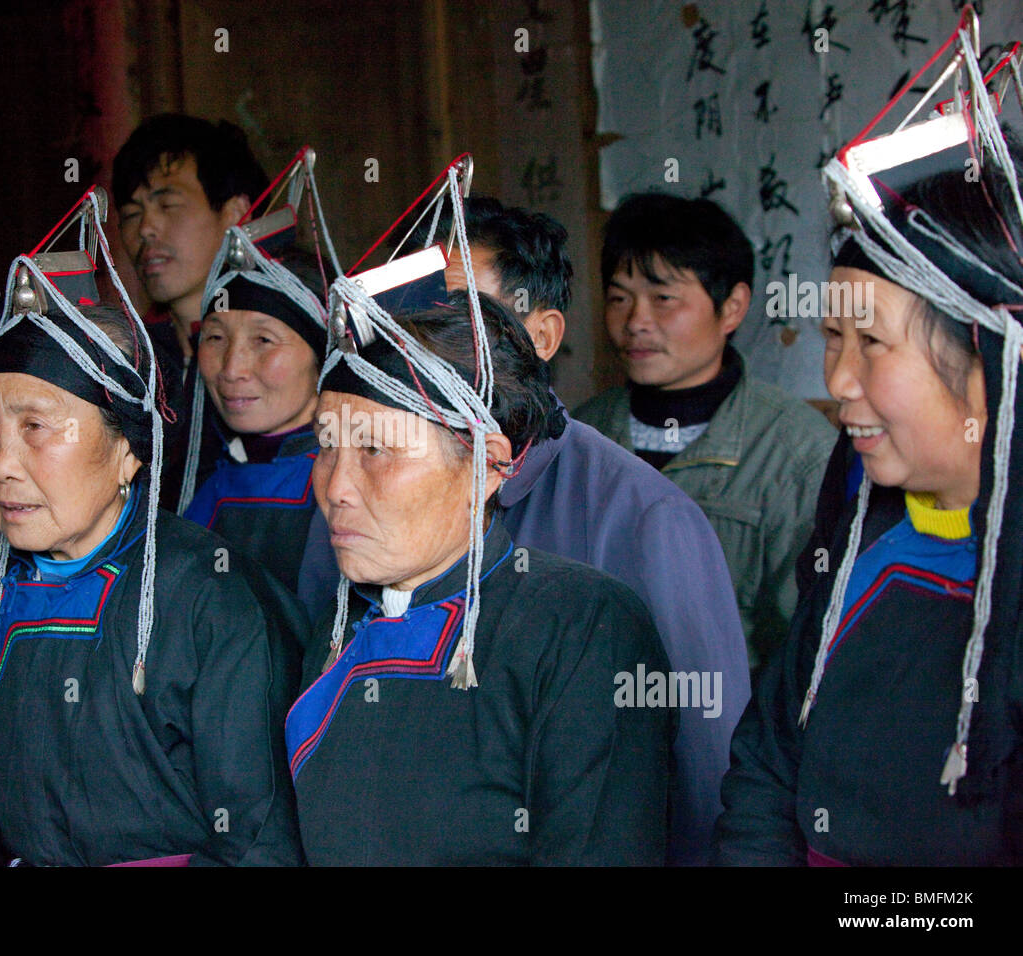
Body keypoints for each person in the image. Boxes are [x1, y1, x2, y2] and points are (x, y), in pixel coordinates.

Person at [297, 196, 748, 864]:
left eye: (461, 316)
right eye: (415, 310)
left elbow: (705, 777)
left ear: (537, 336)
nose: (427, 332)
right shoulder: (350, 506)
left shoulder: (641, 524)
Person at [716, 66, 1023, 865]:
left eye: (873, 344)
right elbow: (765, 768)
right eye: (831, 338)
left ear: (988, 365)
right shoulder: (861, 541)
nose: (837, 380)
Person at [0, 262, 307, 864]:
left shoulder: (212, 600)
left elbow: (257, 843)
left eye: (36, 427)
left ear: (127, 451)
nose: (0, 466)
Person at [574, 193, 837, 676]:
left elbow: (807, 646)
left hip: (731, 736)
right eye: (619, 297)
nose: (635, 321)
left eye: (663, 298)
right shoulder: (578, 436)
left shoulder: (796, 452)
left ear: (732, 307)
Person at [114, 114, 270, 510]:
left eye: (168, 204)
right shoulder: (129, 362)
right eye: (131, 214)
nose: (146, 229)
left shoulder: (293, 351)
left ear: (236, 214)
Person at [183, 245, 330, 592]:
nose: (232, 369)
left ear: (321, 358)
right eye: (215, 337)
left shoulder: (341, 492)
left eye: (264, 339)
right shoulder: (202, 479)